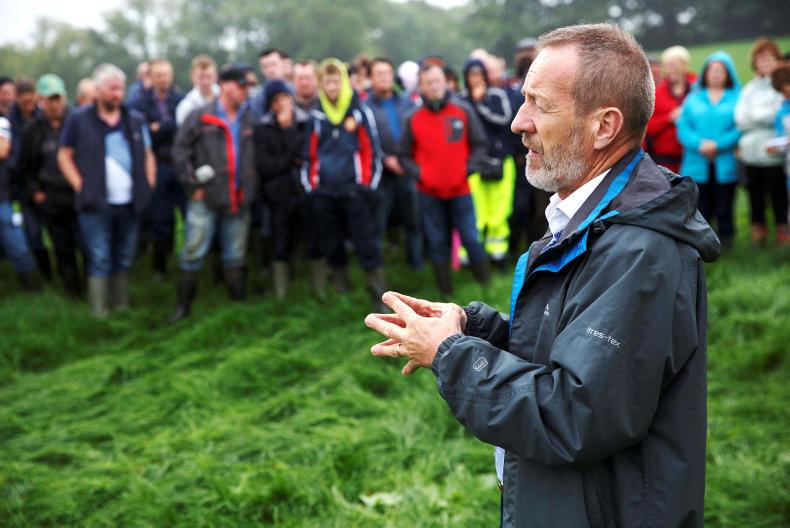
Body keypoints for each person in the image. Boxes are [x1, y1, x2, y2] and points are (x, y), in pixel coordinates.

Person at [366, 23, 718, 527]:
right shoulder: (594, 219)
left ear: (604, 126)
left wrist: (450, 354)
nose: (517, 122)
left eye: (539, 104)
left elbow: (572, 415)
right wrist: (473, 327)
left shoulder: (641, 251)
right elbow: (575, 349)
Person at [58, 63, 156, 317]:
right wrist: (80, 185)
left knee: (124, 255)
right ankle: (99, 311)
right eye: (112, 89)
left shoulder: (134, 120)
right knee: (100, 257)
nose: (117, 94)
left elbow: (147, 154)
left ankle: (120, 305)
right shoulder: (79, 119)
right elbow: (64, 155)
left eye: (120, 89)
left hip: (130, 202)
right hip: (95, 203)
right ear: (98, 90)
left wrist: (149, 182)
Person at [170, 66, 257, 322]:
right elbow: (179, 151)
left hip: (238, 198)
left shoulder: (249, 117)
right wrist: (192, 185)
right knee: (192, 254)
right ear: (227, 86)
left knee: (235, 255)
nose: (245, 92)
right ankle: (182, 309)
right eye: (241, 86)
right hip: (205, 199)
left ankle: (238, 310)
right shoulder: (200, 116)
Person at [301, 59, 386, 308]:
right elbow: (309, 156)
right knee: (331, 241)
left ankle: (378, 295)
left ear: (345, 82)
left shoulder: (359, 111)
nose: (332, 86)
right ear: (322, 84)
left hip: (355, 191)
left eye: (336, 80)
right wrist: (312, 188)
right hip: (325, 192)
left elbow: (372, 151)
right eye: (327, 82)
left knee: (366, 242)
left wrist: (366, 185)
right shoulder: (316, 116)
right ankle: (342, 291)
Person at [399, 63, 489, 296]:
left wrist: (467, 170)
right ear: (421, 87)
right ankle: (445, 293)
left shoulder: (463, 110)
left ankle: (487, 286)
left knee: (471, 238)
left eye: (437, 80)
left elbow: (479, 144)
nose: (434, 86)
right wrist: (422, 174)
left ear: (445, 81)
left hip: (461, 190)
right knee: (437, 243)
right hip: (428, 194)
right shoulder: (412, 117)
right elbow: (403, 156)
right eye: (428, 82)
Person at [254, 80, 323, 299]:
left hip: (305, 192)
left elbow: (307, 155)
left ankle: (319, 289)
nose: (283, 104)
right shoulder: (263, 128)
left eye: (285, 98)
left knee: (314, 240)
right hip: (277, 196)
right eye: (277, 100)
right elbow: (267, 166)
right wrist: (289, 152)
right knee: (281, 243)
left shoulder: (305, 123)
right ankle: (281, 292)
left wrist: (290, 143)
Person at [19, 74, 83, 297]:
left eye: (58, 99)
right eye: (50, 100)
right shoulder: (31, 130)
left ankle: (92, 289)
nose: (55, 104)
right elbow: (25, 166)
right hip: (51, 198)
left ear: (65, 98)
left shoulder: (77, 121)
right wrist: (36, 192)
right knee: (62, 246)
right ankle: (72, 292)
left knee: (85, 243)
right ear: (40, 101)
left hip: (78, 194)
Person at [677, 51, 742, 248]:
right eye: (712, 70)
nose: (715, 74)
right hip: (697, 161)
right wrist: (700, 144)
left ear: (728, 74)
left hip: (725, 161)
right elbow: (683, 127)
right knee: (700, 205)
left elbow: (740, 126)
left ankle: (727, 243)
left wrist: (718, 144)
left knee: (725, 203)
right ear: (705, 73)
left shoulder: (738, 97)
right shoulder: (693, 98)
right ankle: (701, 245)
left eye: (720, 71)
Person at [129, 58, 185, 277]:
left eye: (167, 74)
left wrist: (159, 127)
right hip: (157, 164)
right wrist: (166, 127)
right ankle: (159, 267)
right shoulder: (138, 104)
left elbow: (181, 130)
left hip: (179, 163)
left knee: (187, 212)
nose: (164, 79)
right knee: (160, 216)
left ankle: (183, 259)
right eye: (159, 75)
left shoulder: (181, 100)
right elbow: (143, 136)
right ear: (150, 78)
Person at [366, 57, 422, 270]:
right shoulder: (366, 107)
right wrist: (384, 159)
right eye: (378, 74)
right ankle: (377, 266)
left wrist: (408, 161)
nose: (383, 77)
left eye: (387, 73)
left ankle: (415, 266)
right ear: (371, 78)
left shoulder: (407, 102)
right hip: (381, 175)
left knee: (413, 221)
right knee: (378, 223)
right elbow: (366, 140)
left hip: (407, 171)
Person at [462, 58, 519, 268]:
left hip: (499, 162)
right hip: (474, 165)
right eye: (472, 75)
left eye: (479, 74)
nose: (476, 79)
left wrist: (481, 103)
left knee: (499, 212)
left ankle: (498, 256)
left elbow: (504, 120)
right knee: (476, 213)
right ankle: (472, 257)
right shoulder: (461, 99)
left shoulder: (497, 95)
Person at [734, 38, 787, 244]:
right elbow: (740, 119)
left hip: (774, 153)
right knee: (755, 195)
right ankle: (759, 234)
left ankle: (783, 232)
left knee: (778, 195)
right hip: (751, 153)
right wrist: (762, 117)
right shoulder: (749, 89)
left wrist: (754, 116)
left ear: (776, 59)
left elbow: (777, 114)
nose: (763, 63)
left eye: (768, 58)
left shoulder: (782, 85)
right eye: (759, 59)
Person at [0, 112, 39, 290]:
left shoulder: (2, 122)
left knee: (17, 246)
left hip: (4, 200)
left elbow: (3, 149)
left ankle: (32, 289)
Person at [645, 45, 695, 173]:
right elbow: (648, 128)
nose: (672, 69)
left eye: (675, 65)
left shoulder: (698, 88)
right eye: (668, 66)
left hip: (695, 155)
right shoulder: (657, 93)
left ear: (685, 65)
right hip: (665, 159)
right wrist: (669, 118)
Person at [176, 55, 219, 126]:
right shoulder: (185, 107)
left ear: (216, 76)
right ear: (192, 76)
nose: (205, 82)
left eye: (209, 76)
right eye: (201, 77)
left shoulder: (227, 100)